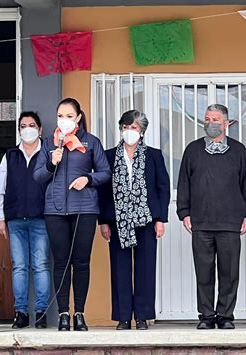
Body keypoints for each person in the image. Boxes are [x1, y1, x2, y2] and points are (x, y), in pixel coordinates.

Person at [33, 98, 111, 331]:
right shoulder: (48, 143)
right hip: (55, 210)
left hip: (84, 209)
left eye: (69, 116)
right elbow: (38, 176)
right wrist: (50, 163)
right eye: (60, 115)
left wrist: (88, 179)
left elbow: (105, 172)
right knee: (61, 263)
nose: (64, 120)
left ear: (77, 117)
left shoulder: (90, 142)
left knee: (81, 262)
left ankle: (79, 313)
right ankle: (64, 314)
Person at [177, 104, 246, 330]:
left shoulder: (238, 150)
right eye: (207, 119)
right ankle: (206, 316)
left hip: (231, 222)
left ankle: (225, 316)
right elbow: (184, 183)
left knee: (229, 272)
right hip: (200, 222)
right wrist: (184, 213)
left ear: (226, 123)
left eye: (215, 119)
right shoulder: (192, 150)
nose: (210, 123)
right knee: (204, 272)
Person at [97, 110, 170, 330]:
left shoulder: (154, 155)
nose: (129, 131)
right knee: (120, 269)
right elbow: (102, 190)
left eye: (134, 128)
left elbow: (162, 188)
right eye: (126, 127)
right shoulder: (109, 156)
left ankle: (142, 316)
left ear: (142, 131)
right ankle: (122, 316)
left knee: (145, 268)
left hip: (146, 219)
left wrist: (160, 219)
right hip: (118, 220)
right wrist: (103, 221)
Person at [0, 111, 50, 329]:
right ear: (19, 130)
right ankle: (21, 313)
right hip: (15, 218)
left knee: (41, 265)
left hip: (41, 218)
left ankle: (41, 313)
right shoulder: (11, 155)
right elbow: (0, 187)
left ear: (40, 129)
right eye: (23, 125)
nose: (28, 129)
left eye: (32, 124)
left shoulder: (49, 153)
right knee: (20, 267)